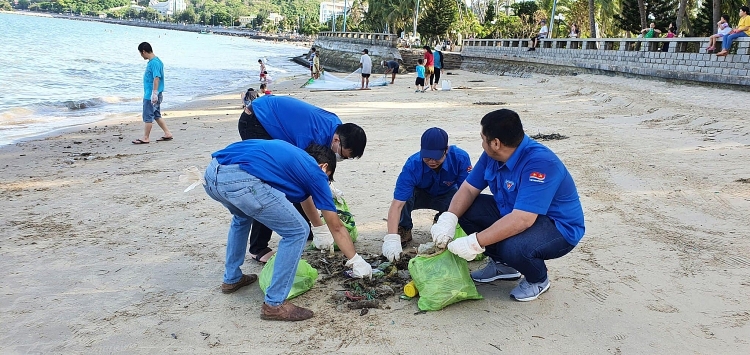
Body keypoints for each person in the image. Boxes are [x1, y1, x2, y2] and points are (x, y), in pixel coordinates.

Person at [203, 140, 372, 321]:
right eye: (327, 177)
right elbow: (336, 226)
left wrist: (318, 229)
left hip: (212, 175)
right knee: (297, 231)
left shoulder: (292, 158)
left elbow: (304, 198)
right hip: (242, 182)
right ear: (324, 167)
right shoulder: (315, 171)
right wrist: (355, 259)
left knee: (241, 218)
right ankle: (274, 304)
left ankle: (232, 279)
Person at [431, 109, 585, 302]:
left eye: (483, 138)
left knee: (513, 247)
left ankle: (538, 279)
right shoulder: (492, 156)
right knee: (464, 208)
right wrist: (449, 219)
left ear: (496, 143)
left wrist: (474, 242)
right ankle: (504, 266)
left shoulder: (540, 163)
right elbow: (468, 189)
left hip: (557, 227)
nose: (482, 142)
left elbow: (523, 220)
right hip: (514, 213)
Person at [236, 95, 367, 263]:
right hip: (257, 121)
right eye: (342, 155)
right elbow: (303, 178)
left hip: (275, 120)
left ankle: (307, 228)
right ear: (336, 140)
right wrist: (321, 227)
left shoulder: (337, 127)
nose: (341, 159)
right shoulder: (312, 137)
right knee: (274, 185)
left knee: (298, 185)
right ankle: (258, 247)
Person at [381, 128, 472, 262]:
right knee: (405, 197)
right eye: (427, 157)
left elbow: (468, 193)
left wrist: (449, 220)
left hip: (447, 196)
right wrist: (392, 238)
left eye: (437, 157)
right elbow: (397, 205)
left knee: (462, 196)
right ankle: (405, 228)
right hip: (419, 195)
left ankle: (442, 220)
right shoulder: (412, 164)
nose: (432, 162)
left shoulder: (460, 158)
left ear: (446, 150)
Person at [133, 42, 172, 144]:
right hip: (155, 93)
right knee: (156, 115)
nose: (141, 56)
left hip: (151, 95)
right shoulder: (155, 61)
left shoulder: (154, 62)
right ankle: (167, 133)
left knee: (148, 116)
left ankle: (145, 137)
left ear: (144, 51)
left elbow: (156, 78)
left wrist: (154, 93)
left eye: (141, 54)